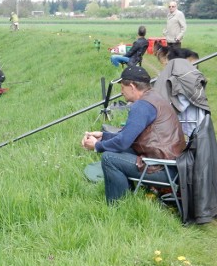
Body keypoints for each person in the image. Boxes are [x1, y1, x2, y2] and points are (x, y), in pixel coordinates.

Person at [81, 66, 186, 204]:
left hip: (164, 169)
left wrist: (97, 146)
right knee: (118, 150)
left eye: (122, 87)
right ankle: (126, 197)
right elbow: (128, 136)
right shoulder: (154, 97)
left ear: (131, 86)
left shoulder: (142, 106)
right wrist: (103, 136)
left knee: (108, 158)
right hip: (173, 165)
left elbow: (123, 142)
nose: (121, 92)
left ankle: (117, 206)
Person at [153, 46, 209, 138]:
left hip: (188, 127)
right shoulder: (192, 81)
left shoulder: (182, 82)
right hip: (194, 124)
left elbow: (179, 106)